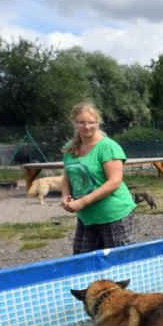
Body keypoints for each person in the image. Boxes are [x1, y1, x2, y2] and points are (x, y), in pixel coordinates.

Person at [61, 101, 137, 254]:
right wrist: (65, 197)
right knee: (82, 261)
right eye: (81, 122)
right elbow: (67, 176)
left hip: (113, 214)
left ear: (97, 122)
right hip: (87, 217)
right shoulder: (70, 147)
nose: (87, 126)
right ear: (74, 123)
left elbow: (114, 182)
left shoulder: (107, 146)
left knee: (120, 263)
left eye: (91, 122)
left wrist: (82, 202)